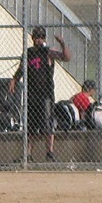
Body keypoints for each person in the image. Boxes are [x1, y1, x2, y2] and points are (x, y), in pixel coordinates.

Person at [15, 26, 72, 160]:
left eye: (41, 37)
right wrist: (14, 80)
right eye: (36, 37)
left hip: (45, 94)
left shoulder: (48, 52)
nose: (39, 40)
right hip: (32, 94)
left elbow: (66, 57)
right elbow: (21, 69)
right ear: (33, 38)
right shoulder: (28, 54)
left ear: (44, 38)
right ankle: (27, 154)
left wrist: (62, 44)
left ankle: (50, 152)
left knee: (47, 122)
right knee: (31, 125)